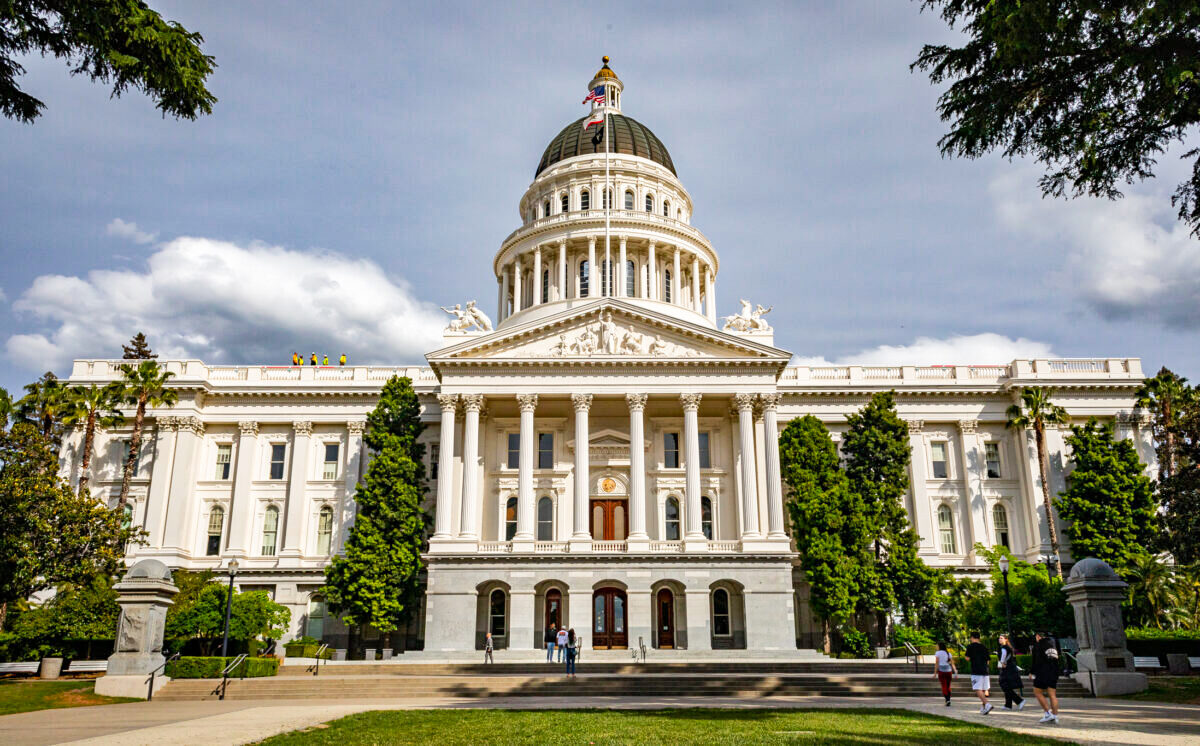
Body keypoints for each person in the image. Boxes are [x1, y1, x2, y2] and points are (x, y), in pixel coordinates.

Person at [1031, 631, 1060, 723]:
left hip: (1043, 671)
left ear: (1038, 636)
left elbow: (1036, 661)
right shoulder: (1054, 643)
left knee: (1037, 692)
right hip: (1054, 671)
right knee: (1052, 695)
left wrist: (1032, 672)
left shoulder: (1038, 645)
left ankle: (1048, 713)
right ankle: (1055, 716)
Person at [965, 632, 994, 714]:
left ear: (972, 637)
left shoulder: (970, 646)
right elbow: (988, 660)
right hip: (985, 670)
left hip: (976, 671)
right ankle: (984, 707)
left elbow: (967, 658)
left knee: (977, 689)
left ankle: (987, 704)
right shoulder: (984, 647)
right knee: (984, 689)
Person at [997, 634, 1025, 711]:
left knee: (1003, 684)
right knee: (1007, 686)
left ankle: (1019, 701)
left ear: (1006, 639)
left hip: (1007, 669)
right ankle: (1008, 705)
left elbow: (1003, 658)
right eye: (999, 638)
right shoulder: (1007, 647)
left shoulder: (1004, 648)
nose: (1000, 639)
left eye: (1002, 638)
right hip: (1010, 669)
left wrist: (1001, 664)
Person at [933, 640, 957, 706]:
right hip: (949, 671)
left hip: (941, 671)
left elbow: (937, 663)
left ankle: (947, 699)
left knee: (944, 686)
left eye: (937, 646)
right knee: (948, 686)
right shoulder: (948, 653)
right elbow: (952, 663)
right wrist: (955, 672)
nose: (936, 647)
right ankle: (948, 699)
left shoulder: (937, 653)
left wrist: (935, 673)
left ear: (939, 646)